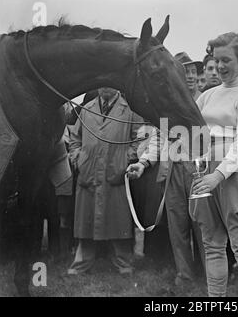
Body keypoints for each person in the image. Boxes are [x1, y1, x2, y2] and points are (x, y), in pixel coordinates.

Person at [189, 32, 238, 297]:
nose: (219, 66)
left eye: (225, 60)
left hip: (233, 173)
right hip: (204, 170)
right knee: (211, 244)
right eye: (215, 59)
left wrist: (217, 176)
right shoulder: (208, 95)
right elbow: (189, 128)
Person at [127, 53, 206, 286]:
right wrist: (142, 163)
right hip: (173, 170)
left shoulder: (206, 99)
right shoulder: (167, 105)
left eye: (193, 72)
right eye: (185, 72)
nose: (189, 76)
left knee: (203, 225)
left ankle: (211, 274)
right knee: (177, 225)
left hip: (200, 170)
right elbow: (158, 139)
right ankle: (185, 275)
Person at [67, 87, 144, 275]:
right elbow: (75, 139)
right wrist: (78, 158)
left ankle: (122, 261)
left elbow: (141, 139)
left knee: (118, 219)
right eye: (102, 83)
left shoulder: (131, 110)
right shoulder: (87, 108)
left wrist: (125, 159)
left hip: (115, 171)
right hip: (89, 170)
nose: (105, 87)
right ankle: (82, 262)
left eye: (110, 83)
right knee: (86, 217)